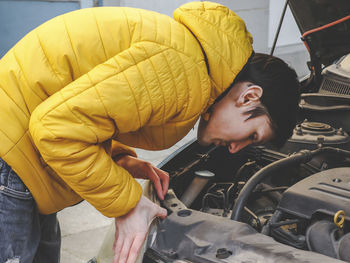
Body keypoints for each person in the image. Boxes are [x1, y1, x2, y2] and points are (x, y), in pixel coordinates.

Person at [0, 1, 299, 263]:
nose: (236, 149)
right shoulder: (183, 72)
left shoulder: (187, 59)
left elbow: (90, 111)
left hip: (21, 153)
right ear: (249, 97)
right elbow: (56, 130)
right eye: (252, 136)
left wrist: (120, 159)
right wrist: (128, 203)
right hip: (12, 157)